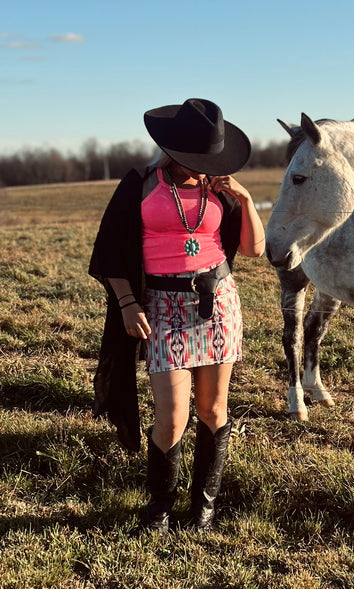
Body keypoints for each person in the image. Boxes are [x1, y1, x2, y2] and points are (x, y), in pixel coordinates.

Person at [89, 98, 265, 533]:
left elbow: (254, 249)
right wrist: (128, 304)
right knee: (171, 417)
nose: (201, 166)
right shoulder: (141, 183)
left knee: (213, 408)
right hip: (161, 308)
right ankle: (160, 506)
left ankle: (204, 503)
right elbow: (109, 250)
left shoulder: (219, 189)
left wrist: (245, 199)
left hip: (218, 303)